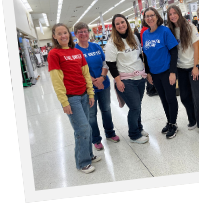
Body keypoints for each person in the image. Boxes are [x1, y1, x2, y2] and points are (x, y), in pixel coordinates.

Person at [48, 23, 103, 173]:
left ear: (69, 34)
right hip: (71, 98)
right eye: (59, 34)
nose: (63, 36)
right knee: (82, 128)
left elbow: (86, 74)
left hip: (84, 95)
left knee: (87, 127)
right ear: (54, 36)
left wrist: (91, 93)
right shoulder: (54, 54)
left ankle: (89, 155)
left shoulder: (77, 52)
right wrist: (64, 102)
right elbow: (56, 80)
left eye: (65, 32)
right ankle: (82, 162)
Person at [166, 4, 199, 137]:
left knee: (198, 97)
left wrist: (196, 66)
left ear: (179, 13)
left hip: (193, 67)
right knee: (185, 97)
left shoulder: (189, 26)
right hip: (180, 68)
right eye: (170, 14)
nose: (173, 16)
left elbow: (196, 48)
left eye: (175, 13)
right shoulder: (170, 30)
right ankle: (193, 119)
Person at [73, 23, 119, 151]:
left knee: (106, 109)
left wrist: (102, 78)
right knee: (91, 115)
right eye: (80, 32)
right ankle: (96, 139)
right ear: (76, 34)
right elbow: (76, 71)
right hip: (88, 88)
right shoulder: (75, 51)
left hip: (103, 84)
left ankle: (110, 133)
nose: (83, 34)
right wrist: (93, 81)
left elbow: (105, 62)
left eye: (85, 31)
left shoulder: (96, 46)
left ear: (89, 33)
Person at [105, 14, 150, 144]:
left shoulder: (134, 38)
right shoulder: (112, 43)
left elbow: (140, 57)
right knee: (135, 107)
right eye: (117, 23)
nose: (121, 25)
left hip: (139, 77)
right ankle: (134, 135)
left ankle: (139, 128)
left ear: (127, 23)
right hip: (126, 80)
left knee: (138, 106)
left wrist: (146, 73)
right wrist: (118, 81)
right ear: (114, 27)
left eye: (122, 22)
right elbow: (111, 64)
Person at [140, 7, 184, 138]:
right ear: (145, 19)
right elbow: (145, 55)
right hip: (154, 73)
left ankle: (174, 124)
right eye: (147, 16)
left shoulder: (165, 31)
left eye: (152, 15)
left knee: (170, 98)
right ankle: (169, 121)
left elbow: (174, 51)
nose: (150, 18)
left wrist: (172, 72)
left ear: (157, 17)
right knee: (163, 99)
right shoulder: (145, 34)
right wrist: (148, 73)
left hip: (166, 71)